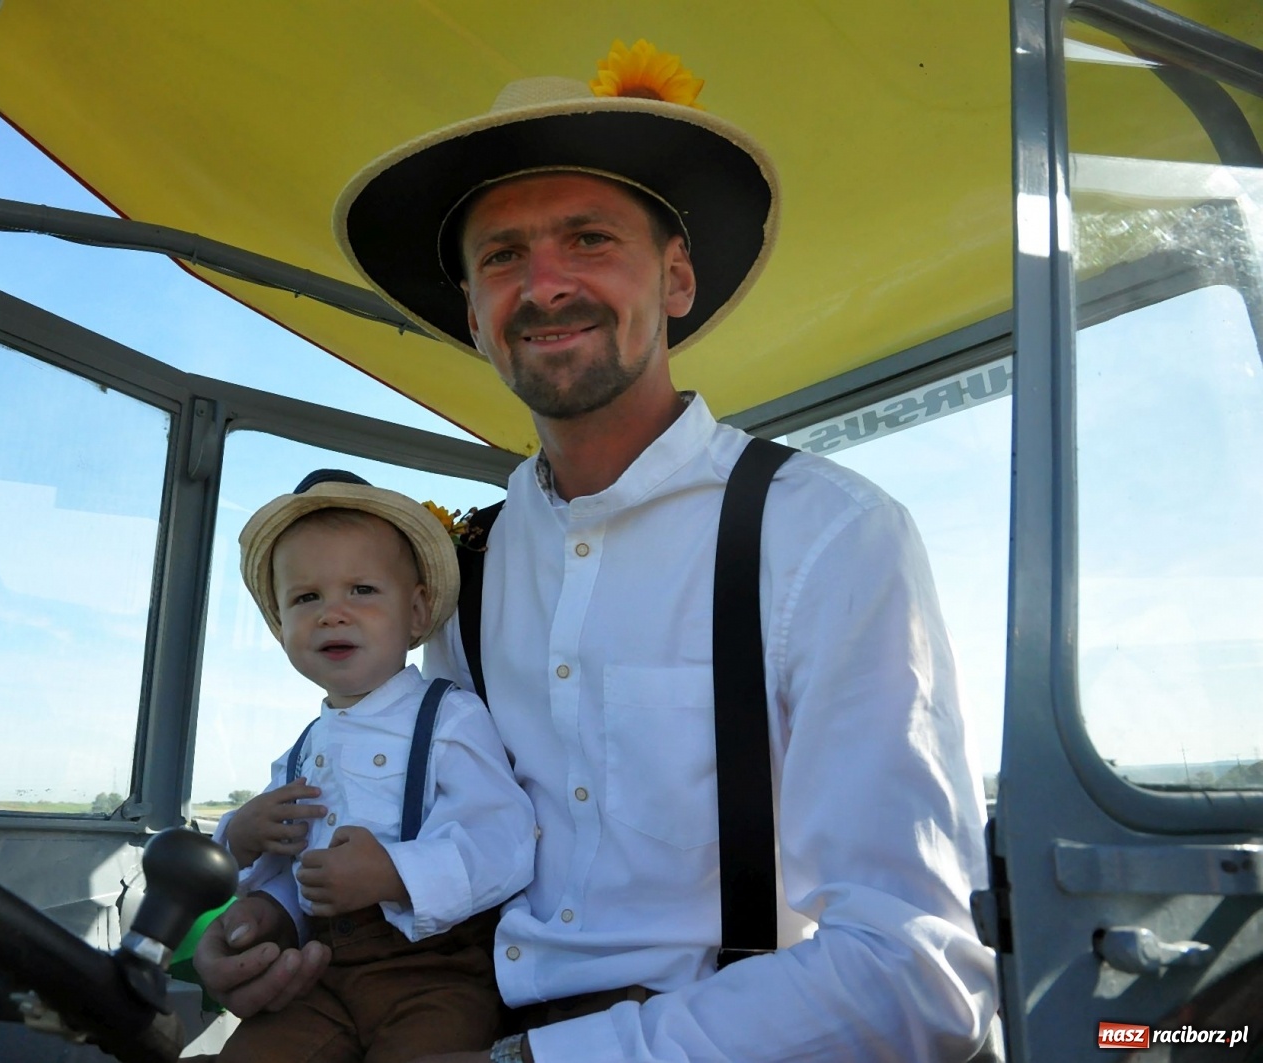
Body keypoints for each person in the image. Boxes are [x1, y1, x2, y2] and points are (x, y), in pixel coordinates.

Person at [196, 43, 998, 1062]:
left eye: (587, 238)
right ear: (476, 317)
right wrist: (275, 935)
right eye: (500, 257)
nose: (543, 285)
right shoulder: (465, 568)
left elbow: (915, 974)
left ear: (673, 280)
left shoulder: (826, 533)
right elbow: (437, 835)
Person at [198, 470, 536, 1062]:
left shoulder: (449, 718)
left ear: (416, 612)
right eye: (307, 598)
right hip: (321, 972)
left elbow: (504, 841)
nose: (333, 613)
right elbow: (292, 871)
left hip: (436, 974)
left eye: (361, 590)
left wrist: (395, 875)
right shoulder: (305, 748)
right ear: (281, 629)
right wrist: (242, 840)